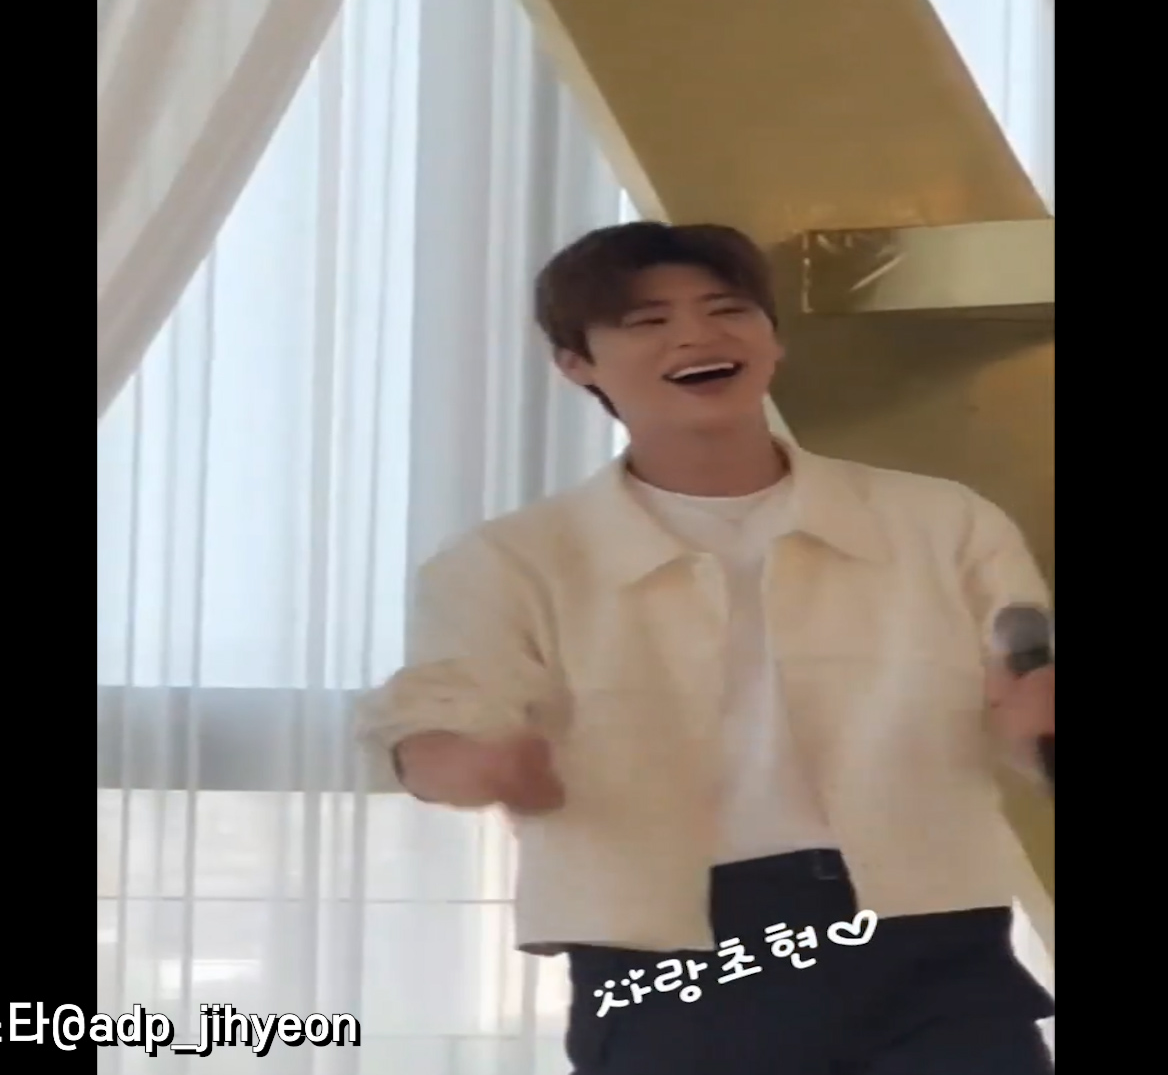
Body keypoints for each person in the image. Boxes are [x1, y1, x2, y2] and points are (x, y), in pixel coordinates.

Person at [356, 221, 1056, 1074]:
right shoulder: (512, 560)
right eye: (647, 322)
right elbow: (437, 715)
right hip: (673, 947)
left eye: (728, 309)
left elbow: (1025, 675)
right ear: (575, 363)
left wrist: (1033, 716)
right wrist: (472, 765)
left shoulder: (942, 522)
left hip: (928, 931)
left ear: (772, 339)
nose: (697, 336)